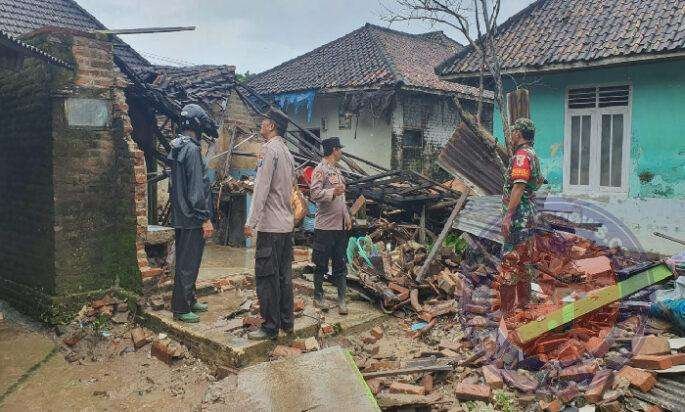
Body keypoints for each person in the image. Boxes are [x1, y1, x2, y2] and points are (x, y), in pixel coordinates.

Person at [244, 108, 296, 340]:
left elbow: (261, 188)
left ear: (272, 126)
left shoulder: (269, 150)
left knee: (267, 277)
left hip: (270, 227)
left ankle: (270, 327)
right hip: (285, 226)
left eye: (264, 122)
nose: (261, 125)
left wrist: (251, 221)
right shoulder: (287, 152)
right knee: (284, 276)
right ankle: (287, 322)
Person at [168, 104, 217, 323]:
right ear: (197, 125)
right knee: (188, 264)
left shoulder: (178, 146)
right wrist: (205, 218)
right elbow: (197, 189)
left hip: (181, 215)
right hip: (192, 217)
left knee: (186, 261)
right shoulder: (192, 150)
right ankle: (181, 308)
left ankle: (190, 298)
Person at [499, 118, 545, 314]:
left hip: (518, 218)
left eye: (512, 132)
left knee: (509, 261)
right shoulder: (533, 154)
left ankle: (507, 312)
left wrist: (508, 216)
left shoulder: (521, 156)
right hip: (529, 217)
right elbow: (537, 183)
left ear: (518, 133)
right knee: (525, 261)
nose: (510, 136)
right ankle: (524, 305)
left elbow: (518, 186)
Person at [309, 137, 352, 315]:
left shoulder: (337, 171)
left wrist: (346, 216)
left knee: (340, 264)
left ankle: (342, 300)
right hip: (325, 227)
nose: (341, 152)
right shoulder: (320, 170)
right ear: (334, 150)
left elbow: (341, 198)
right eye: (339, 149)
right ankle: (318, 297)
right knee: (321, 264)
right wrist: (332, 192)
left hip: (339, 227)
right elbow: (314, 194)